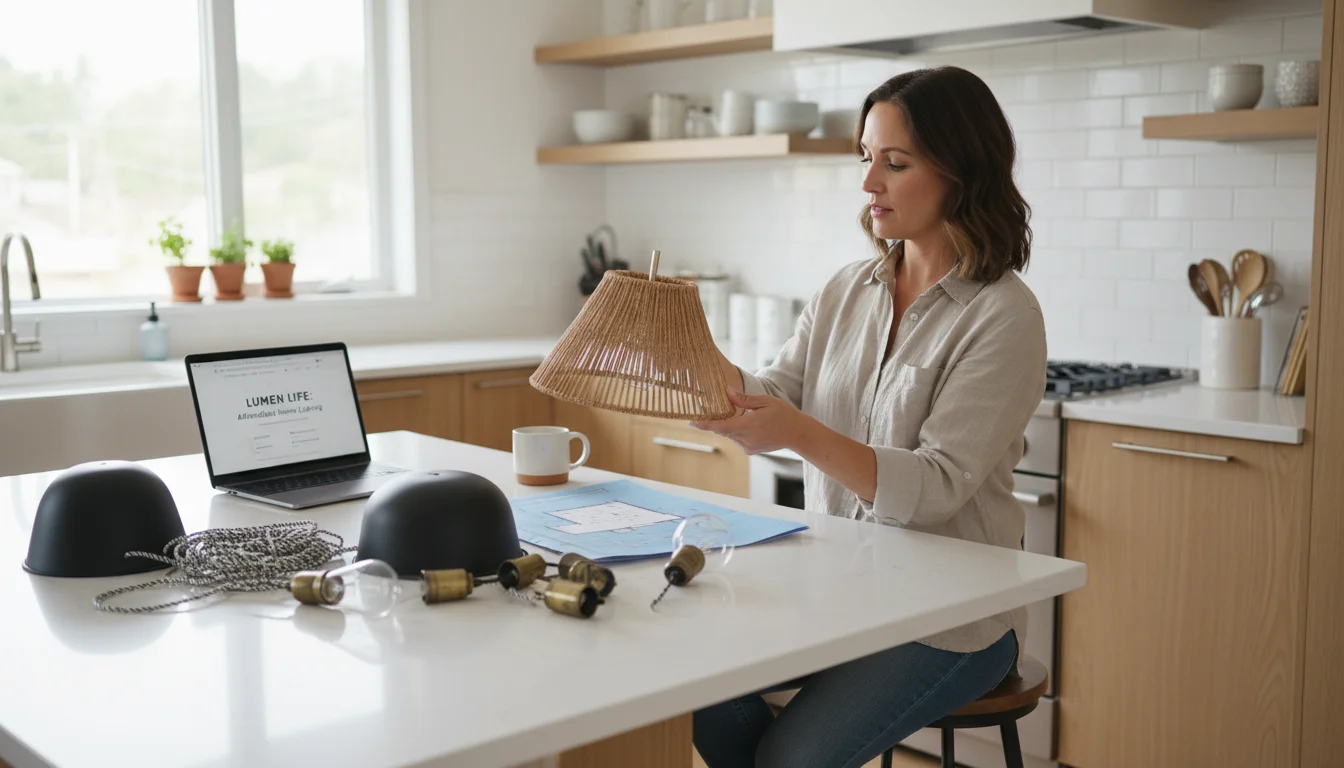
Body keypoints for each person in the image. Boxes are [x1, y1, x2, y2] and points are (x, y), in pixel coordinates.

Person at [688, 66, 1047, 768]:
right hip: (842, 590)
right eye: (865, 158)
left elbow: (937, 486)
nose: (868, 182)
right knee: (685, 682)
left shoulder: (1003, 315)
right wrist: (697, 368)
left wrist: (797, 431)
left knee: (790, 760)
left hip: (956, 618)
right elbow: (775, 389)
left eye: (895, 162)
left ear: (960, 170)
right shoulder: (845, 290)